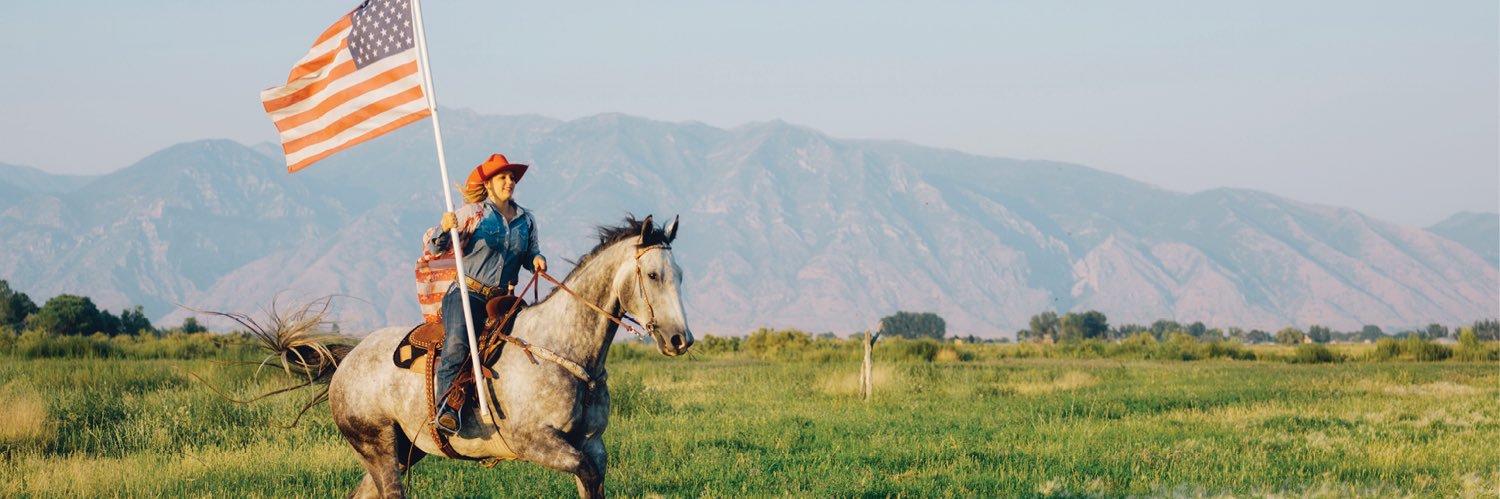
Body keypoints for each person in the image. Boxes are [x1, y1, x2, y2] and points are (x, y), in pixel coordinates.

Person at [422, 153, 546, 433]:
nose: (509, 182)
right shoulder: (472, 213)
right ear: (488, 185)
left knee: (529, 343)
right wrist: (444, 228)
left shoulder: (526, 220)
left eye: (512, 177)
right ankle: (447, 407)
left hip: (503, 298)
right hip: (468, 294)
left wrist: (536, 259)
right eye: (502, 177)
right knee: (458, 343)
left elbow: (529, 253)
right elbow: (435, 249)